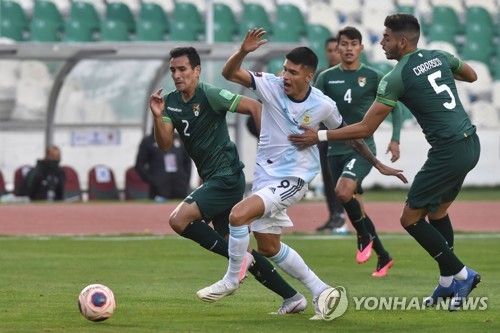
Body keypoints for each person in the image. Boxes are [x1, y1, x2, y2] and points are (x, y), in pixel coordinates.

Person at [197, 28, 407, 320]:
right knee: (269, 247)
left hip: (294, 179)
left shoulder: (322, 104)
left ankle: (232, 278)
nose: (285, 76)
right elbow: (230, 73)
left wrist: (377, 163)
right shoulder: (270, 85)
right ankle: (319, 291)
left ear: (308, 76)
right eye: (284, 69)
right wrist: (244, 51)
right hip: (265, 177)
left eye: (293, 72)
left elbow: (351, 136)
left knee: (237, 215)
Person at [289, 14, 481, 311]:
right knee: (438, 212)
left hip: (448, 150)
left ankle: (462, 274)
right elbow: (472, 76)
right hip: (470, 143)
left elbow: (365, 129)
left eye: (386, 38)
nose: (382, 43)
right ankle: (447, 282)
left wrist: (321, 136)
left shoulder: (395, 78)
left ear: (402, 42)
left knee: (409, 219)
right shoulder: (440, 56)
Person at [148, 46, 308, 315]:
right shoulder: (172, 103)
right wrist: (157, 116)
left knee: (178, 220)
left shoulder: (210, 94)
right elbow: (164, 144)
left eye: (182, 69)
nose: (177, 74)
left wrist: (267, 148)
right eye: (173, 70)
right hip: (213, 179)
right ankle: (292, 298)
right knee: (235, 244)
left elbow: (256, 107)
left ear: (196, 71)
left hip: (226, 177)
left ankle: (239, 261)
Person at [315, 26, 403, 277]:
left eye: (354, 43)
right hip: (334, 150)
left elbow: (394, 107)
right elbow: (315, 108)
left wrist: (395, 139)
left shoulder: (374, 76)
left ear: (361, 48)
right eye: (344, 44)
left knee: (343, 192)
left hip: (362, 149)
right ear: (338, 48)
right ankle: (383, 256)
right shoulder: (326, 78)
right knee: (356, 207)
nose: (349, 48)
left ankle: (363, 236)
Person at [314, 36, 349, 234]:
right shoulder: (321, 75)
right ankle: (334, 216)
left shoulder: (350, 74)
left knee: (343, 178)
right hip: (324, 134)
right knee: (328, 176)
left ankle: (345, 217)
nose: (333, 54)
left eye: (336, 49)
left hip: (344, 132)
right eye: (329, 50)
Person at [135, 130, 192, 201]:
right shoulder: (148, 141)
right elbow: (139, 164)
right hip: (158, 189)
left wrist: (185, 178)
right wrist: (152, 180)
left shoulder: (180, 139)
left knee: (179, 210)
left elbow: (188, 162)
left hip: (179, 187)